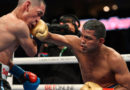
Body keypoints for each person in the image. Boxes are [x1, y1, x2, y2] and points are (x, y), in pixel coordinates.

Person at [34, 19, 130, 90]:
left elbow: (127, 86)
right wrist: (41, 31)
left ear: (100, 41)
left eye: (88, 38)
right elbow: (51, 37)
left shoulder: (113, 58)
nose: (82, 41)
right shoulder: (76, 43)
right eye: (82, 35)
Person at [0, 0, 45, 89]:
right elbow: (32, 52)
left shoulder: (4, 22)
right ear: (27, 6)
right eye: (38, 14)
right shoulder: (20, 26)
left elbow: (2, 58)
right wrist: (36, 34)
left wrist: (20, 74)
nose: (38, 20)